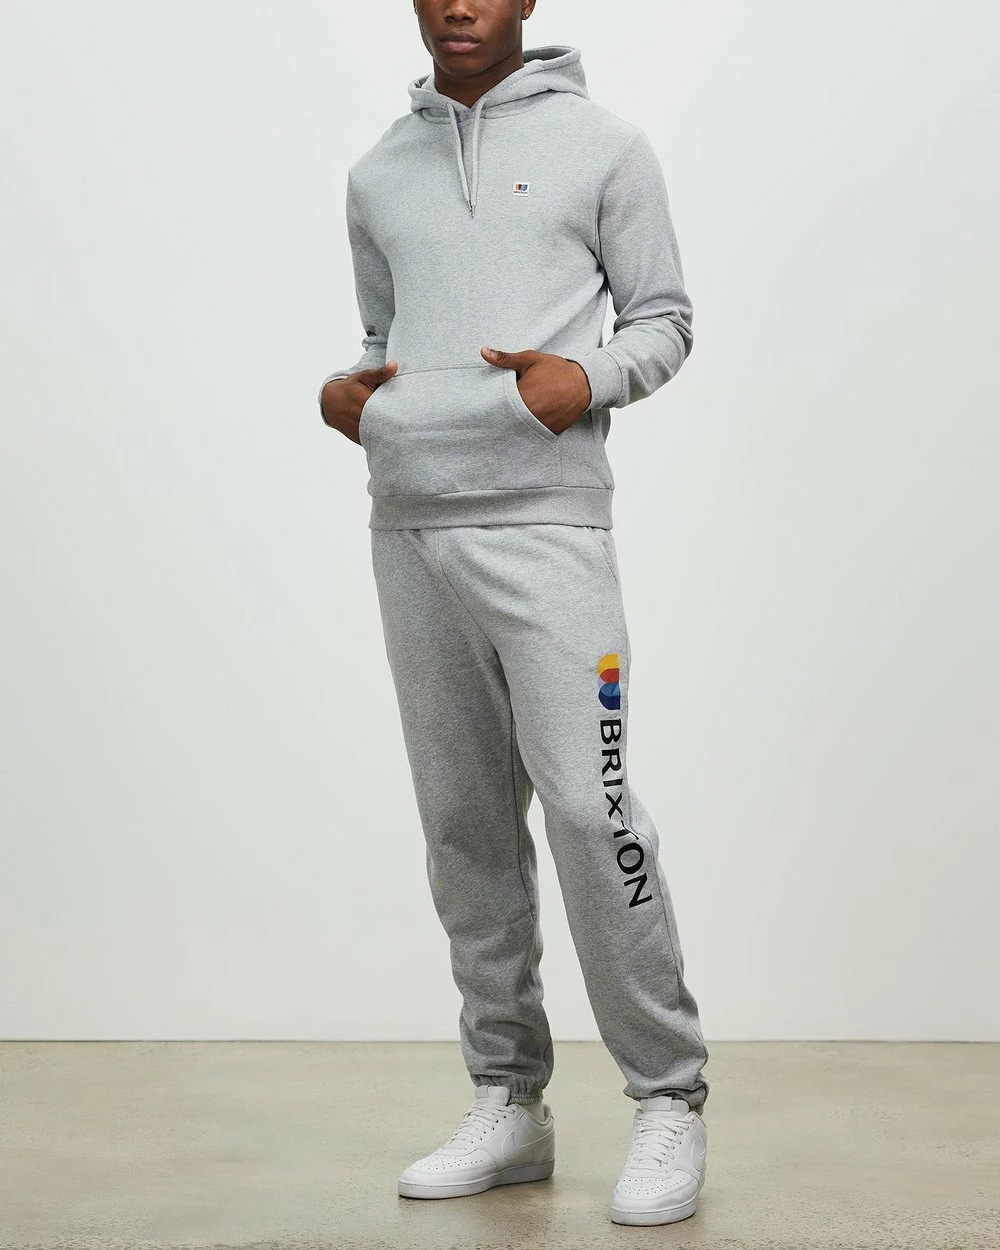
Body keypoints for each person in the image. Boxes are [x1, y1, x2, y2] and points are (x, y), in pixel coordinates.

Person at [318, 0, 710, 1228]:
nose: (459, 4)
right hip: (410, 528)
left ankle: (669, 1092)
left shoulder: (606, 147)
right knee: (464, 825)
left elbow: (664, 320)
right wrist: (354, 395)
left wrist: (580, 378)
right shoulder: (377, 172)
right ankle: (508, 1098)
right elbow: (383, 336)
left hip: (548, 527)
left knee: (591, 809)